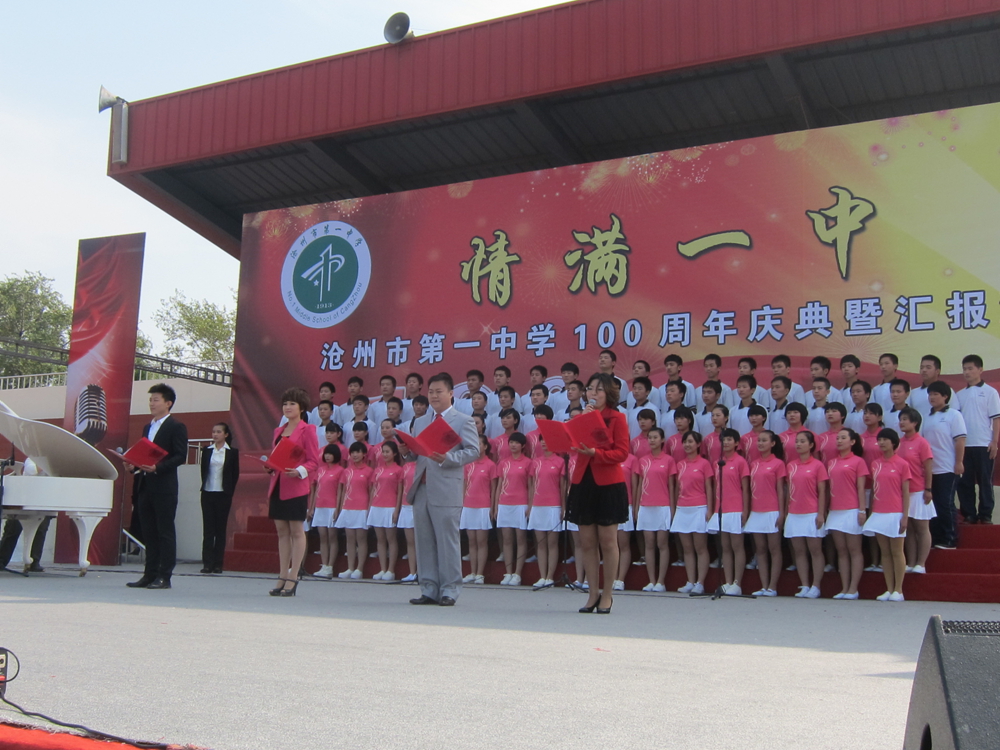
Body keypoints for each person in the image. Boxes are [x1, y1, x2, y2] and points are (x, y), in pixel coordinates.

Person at [404, 372, 480, 607]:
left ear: (451, 393)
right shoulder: (420, 421)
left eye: (439, 391)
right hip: (422, 487)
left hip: (446, 487)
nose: (434, 396)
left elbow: (473, 451)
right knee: (424, 540)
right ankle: (429, 588)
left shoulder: (462, 420)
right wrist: (406, 451)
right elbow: (417, 454)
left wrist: (448, 458)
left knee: (447, 541)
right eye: (431, 392)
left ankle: (450, 589)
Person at [565, 373, 631, 613]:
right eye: (590, 389)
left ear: (609, 393)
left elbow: (622, 453)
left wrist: (597, 453)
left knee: (608, 541)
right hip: (583, 481)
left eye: (599, 389)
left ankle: (608, 595)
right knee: (587, 542)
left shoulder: (617, 418)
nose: (593, 393)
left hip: (608, 483)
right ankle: (592, 593)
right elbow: (571, 446)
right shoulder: (581, 417)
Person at [125, 384, 189, 590]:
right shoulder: (148, 427)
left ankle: (164, 576)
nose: (151, 403)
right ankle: (149, 574)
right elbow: (145, 454)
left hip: (164, 486)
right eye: (150, 400)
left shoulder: (176, 426)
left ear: (168, 403)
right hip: (145, 485)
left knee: (165, 532)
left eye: (156, 400)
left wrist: (158, 468)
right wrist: (133, 465)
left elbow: (180, 456)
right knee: (149, 532)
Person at [261, 387, 320, 596]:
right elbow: (277, 457)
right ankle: (282, 575)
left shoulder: (308, 430)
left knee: (296, 531)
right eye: (285, 404)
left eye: (292, 404)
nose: (287, 407)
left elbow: (314, 461)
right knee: (282, 532)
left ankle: (293, 576)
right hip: (278, 484)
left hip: (296, 486)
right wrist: (270, 466)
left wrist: (299, 471)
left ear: (301, 407)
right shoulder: (279, 430)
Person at [863, 428, 911, 601]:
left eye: (885, 440)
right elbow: (874, 489)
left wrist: (905, 516)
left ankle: (899, 590)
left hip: (895, 512)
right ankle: (889, 589)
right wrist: (871, 511)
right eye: (880, 440)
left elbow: (905, 492)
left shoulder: (902, 464)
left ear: (893, 443)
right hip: (879, 512)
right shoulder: (875, 464)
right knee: (885, 552)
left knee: (896, 551)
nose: (881, 443)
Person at [955, 354, 1000, 525]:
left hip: (983, 444)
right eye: (964, 369)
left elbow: (996, 418)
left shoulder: (990, 392)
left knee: (985, 481)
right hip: (964, 445)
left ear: (980, 369)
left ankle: (985, 514)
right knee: (965, 481)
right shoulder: (960, 395)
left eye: (970, 368)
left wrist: (994, 442)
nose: (967, 372)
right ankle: (969, 514)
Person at [824, 428, 868, 600]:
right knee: (841, 550)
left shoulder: (858, 462)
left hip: (852, 509)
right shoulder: (831, 462)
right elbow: (828, 488)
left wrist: (862, 510)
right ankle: (844, 588)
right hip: (835, 510)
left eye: (843, 438)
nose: (839, 441)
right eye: (838, 438)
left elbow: (861, 488)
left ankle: (853, 589)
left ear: (852, 441)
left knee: (854, 550)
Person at [923, 381, 967, 550]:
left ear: (945, 397)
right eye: (930, 394)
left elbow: (960, 440)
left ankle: (951, 538)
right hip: (930, 469)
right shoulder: (926, 417)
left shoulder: (954, 415)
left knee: (945, 503)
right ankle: (936, 538)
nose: (932, 397)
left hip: (947, 467)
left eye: (936, 394)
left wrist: (959, 462)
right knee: (932, 505)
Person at [784, 431, 828, 599]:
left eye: (803, 441)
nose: (799, 444)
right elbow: (789, 490)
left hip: (812, 512)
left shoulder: (818, 465)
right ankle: (804, 585)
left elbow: (822, 491)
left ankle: (816, 586)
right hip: (794, 512)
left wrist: (821, 513)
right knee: (799, 551)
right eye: (797, 441)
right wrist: (787, 512)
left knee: (815, 550)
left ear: (811, 445)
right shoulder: (791, 465)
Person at [670, 431, 714, 594]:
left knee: (700, 547)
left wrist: (710, 509)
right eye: (685, 442)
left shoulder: (704, 464)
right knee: (687, 548)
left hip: (699, 507)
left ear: (698, 444)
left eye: (690, 442)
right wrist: (675, 508)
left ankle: (700, 583)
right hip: (683, 507)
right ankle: (690, 581)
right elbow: (677, 488)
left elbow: (709, 487)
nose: (687, 445)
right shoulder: (680, 464)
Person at [709, 428, 750, 595]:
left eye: (729, 440)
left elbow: (745, 488)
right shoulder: (718, 462)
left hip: (736, 508)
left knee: (737, 546)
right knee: (725, 547)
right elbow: (715, 487)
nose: (725, 443)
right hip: (721, 508)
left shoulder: (740, 462)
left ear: (736, 443)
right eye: (723, 440)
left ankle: (737, 583)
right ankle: (727, 581)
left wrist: (745, 510)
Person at [635, 428, 676, 592]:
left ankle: (661, 581)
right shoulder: (643, 460)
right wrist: (637, 507)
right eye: (650, 438)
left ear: (662, 440)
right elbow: (639, 485)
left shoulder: (669, 460)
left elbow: (671, 486)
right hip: (646, 505)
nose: (652, 440)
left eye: (655, 437)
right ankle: (651, 580)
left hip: (663, 505)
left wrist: (672, 509)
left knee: (662, 543)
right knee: (649, 543)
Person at [747, 431, 787, 596]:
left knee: (774, 548)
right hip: (756, 510)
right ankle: (764, 585)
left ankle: (772, 586)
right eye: (759, 440)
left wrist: (782, 512)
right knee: (761, 549)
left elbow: (781, 490)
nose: (760, 443)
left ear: (773, 443)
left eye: (764, 440)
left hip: (772, 509)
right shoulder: (754, 463)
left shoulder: (778, 463)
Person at [896, 408, 935, 573]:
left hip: (918, 490)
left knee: (922, 528)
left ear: (915, 423)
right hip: (902, 493)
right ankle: (911, 563)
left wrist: (928, 489)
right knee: (909, 529)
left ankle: (921, 563)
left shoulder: (922, 443)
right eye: (901, 419)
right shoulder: (898, 443)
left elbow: (928, 467)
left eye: (905, 419)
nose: (902, 422)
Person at [199, 422, 240, 574]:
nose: (215, 434)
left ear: (226, 434)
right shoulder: (207, 451)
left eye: (218, 432)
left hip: (223, 494)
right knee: (208, 529)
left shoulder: (232, 452)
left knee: (220, 529)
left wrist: (229, 491)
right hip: (208, 492)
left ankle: (218, 563)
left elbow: (235, 474)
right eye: (213, 432)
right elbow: (203, 470)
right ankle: (207, 563)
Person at [527, 437, 567, 589]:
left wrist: (563, 507)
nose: (544, 443)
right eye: (541, 440)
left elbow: (563, 487)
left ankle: (550, 576)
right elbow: (531, 485)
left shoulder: (560, 462)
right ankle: (542, 576)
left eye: (547, 440)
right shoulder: (536, 462)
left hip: (553, 505)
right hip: (538, 505)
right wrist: (530, 505)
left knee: (552, 543)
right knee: (541, 543)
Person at [0, 458, 51, 572]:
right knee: (13, 529)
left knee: (41, 529)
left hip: (43, 499)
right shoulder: (31, 460)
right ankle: (1, 559)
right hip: (24, 499)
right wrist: (45, 465)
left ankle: (34, 562)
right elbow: (31, 470)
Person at [494, 433, 532, 586]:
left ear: (523, 446)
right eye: (511, 442)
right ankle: (508, 572)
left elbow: (531, 486)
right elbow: (499, 485)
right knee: (507, 539)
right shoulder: (503, 463)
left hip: (521, 503)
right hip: (504, 503)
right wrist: (496, 506)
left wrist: (530, 505)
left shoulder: (528, 462)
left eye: (516, 443)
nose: (513, 445)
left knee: (520, 538)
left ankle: (517, 573)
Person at [334, 442, 374, 580]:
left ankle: (359, 568)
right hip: (348, 507)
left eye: (358, 452)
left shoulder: (369, 471)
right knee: (350, 539)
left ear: (364, 454)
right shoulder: (346, 471)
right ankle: (350, 567)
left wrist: (369, 509)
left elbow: (371, 491)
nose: (355, 455)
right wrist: (340, 508)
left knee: (361, 539)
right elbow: (343, 490)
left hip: (362, 508)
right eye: (352, 452)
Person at [462, 434, 496, 585]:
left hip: (483, 506)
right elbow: (464, 486)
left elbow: (494, 488)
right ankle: (472, 572)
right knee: (472, 541)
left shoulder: (490, 465)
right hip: (468, 505)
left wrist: (492, 507)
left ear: (485, 446)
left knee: (481, 541)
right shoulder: (468, 465)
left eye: (479, 444)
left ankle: (480, 574)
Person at [369, 441, 404, 581]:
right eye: (383, 452)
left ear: (394, 453)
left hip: (390, 507)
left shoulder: (398, 470)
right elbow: (373, 489)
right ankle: (382, 569)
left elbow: (400, 492)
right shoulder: (377, 470)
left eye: (387, 451)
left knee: (391, 539)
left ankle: (391, 570)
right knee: (380, 539)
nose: (384, 454)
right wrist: (370, 507)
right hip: (377, 506)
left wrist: (397, 510)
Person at [308, 445, 344, 579]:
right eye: (326, 454)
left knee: (332, 537)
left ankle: (330, 566)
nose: (327, 456)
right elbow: (315, 489)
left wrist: (338, 509)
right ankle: (324, 565)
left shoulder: (340, 470)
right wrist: (312, 507)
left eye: (330, 454)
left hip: (332, 506)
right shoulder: (320, 470)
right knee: (323, 537)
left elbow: (340, 491)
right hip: (320, 506)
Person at [396, 444, 418, 583]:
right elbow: (400, 489)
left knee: (422, 542)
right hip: (406, 506)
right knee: (410, 542)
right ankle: (412, 572)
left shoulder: (426, 465)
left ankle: (423, 572)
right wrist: (398, 509)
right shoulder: (406, 467)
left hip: (419, 506)